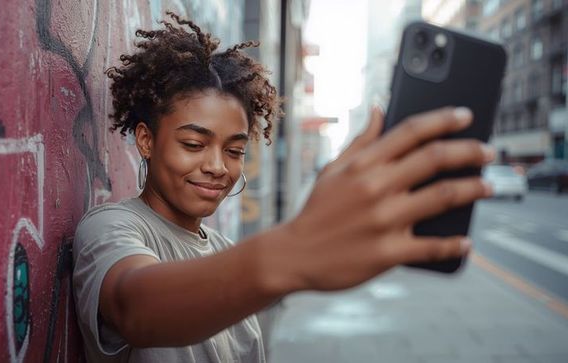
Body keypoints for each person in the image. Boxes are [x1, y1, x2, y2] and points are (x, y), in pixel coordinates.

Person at [72, 12, 494, 363]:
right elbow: (135, 307)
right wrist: (293, 251)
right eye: (193, 144)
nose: (217, 166)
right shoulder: (111, 227)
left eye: (234, 151)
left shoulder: (222, 250)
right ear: (146, 139)